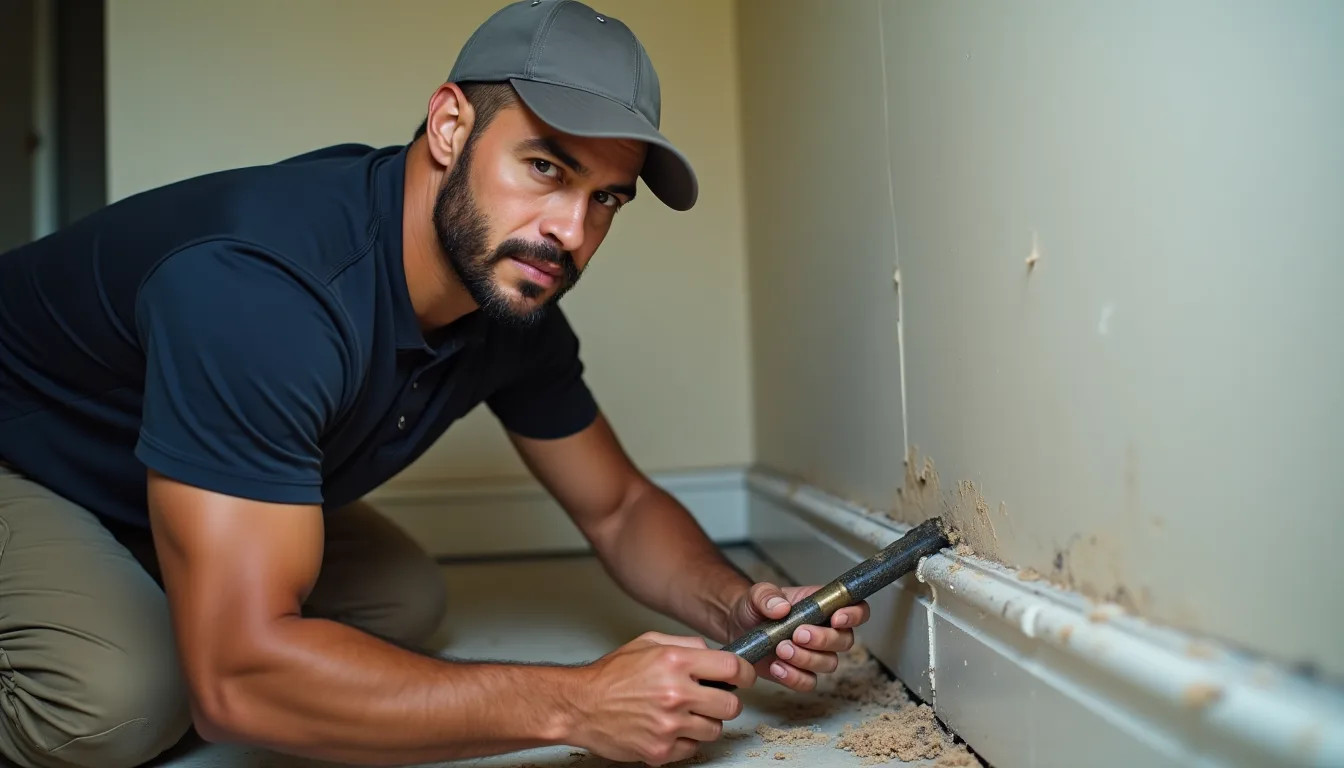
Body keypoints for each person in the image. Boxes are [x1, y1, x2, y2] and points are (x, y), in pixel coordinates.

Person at [0, 2, 872, 767]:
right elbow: (236, 687)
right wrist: (575, 702)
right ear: (450, 126)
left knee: (400, 600)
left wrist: (737, 603)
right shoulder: (265, 294)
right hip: (21, 456)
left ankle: (173, 581)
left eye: (607, 198)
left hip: (135, 470)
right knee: (116, 702)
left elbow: (618, 509)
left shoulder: (508, 297)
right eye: (546, 167)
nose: (569, 231)